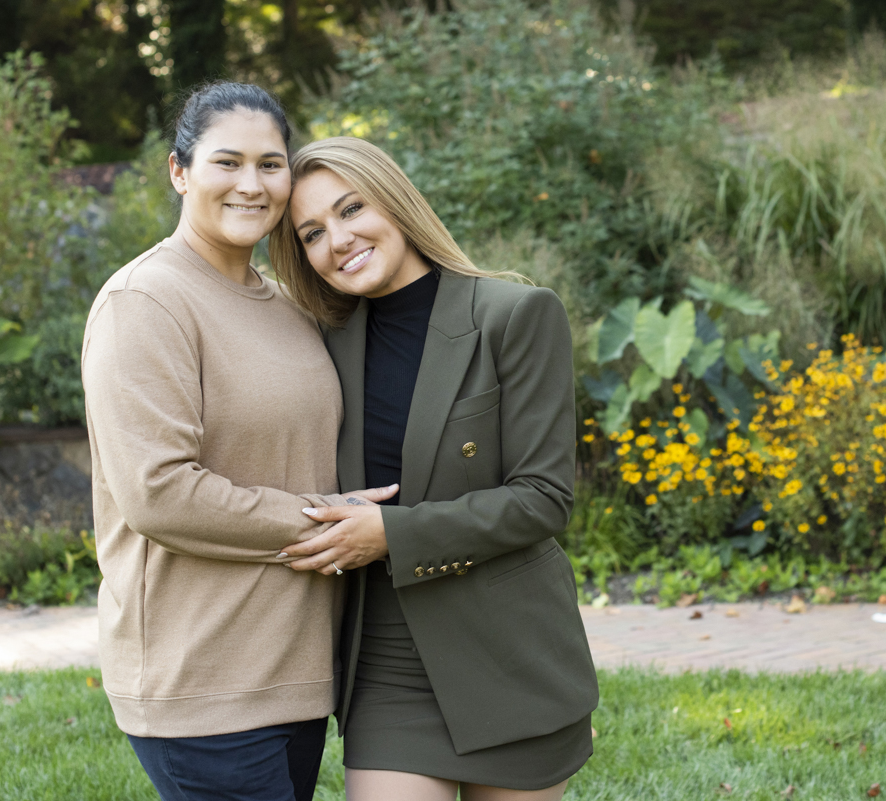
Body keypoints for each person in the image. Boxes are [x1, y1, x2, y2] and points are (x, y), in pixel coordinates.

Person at [81, 86, 395, 801]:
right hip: (202, 679)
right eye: (228, 161)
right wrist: (331, 524)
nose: (252, 185)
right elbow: (158, 492)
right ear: (179, 171)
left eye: (271, 164)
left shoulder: (288, 303)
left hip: (294, 671)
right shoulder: (146, 301)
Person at [269, 137, 599, 800]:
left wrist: (393, 533)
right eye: (311, 232)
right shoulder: (320, 345)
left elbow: (543, 498)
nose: (338, 238)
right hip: (386, 661)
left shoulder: (515, 315)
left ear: (394, 200)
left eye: (351, 208)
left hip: (510, 655)